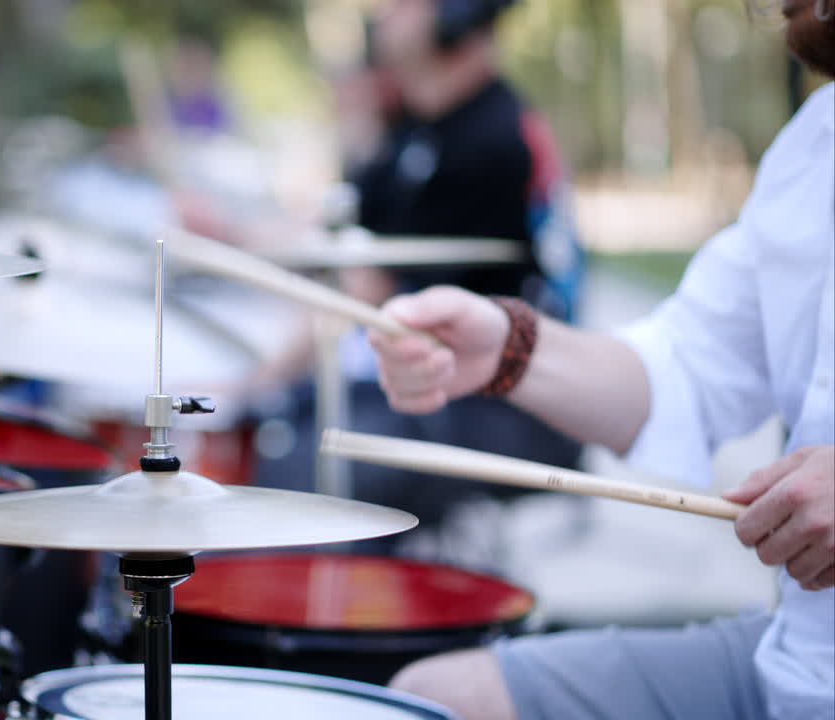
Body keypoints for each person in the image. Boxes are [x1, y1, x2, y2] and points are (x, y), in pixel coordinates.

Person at [367, 1, 835, 717]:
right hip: (799, 658)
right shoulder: (813, 147)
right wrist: (506, 347)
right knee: (432, 699)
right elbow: (685, 369)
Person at [251, 0, 585, 562]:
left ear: (458, 13)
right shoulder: (418, 129)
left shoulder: (494, 138)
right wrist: (229, 236)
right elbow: (337, 240)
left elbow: (368, 287)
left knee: (310, 459)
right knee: (291, 417)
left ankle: (331, 612)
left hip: (508, 404)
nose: (384, 13)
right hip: (434, 382)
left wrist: (256, 379)